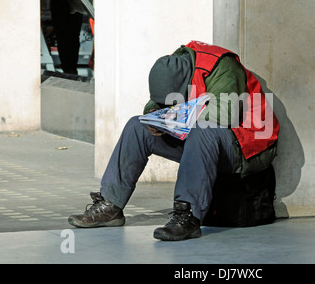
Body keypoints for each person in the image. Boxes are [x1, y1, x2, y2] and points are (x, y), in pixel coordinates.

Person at [68, 40, 280, 241]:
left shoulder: (222, 67)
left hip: (248, 145)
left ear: (185, 83)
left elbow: (223, 116)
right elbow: (156, 103)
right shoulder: (175, 65)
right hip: (207, 140)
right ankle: (110, 205)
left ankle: (187, 215)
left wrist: (174, 116)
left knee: (203, 130)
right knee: (137, 126)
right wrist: (155, 116)